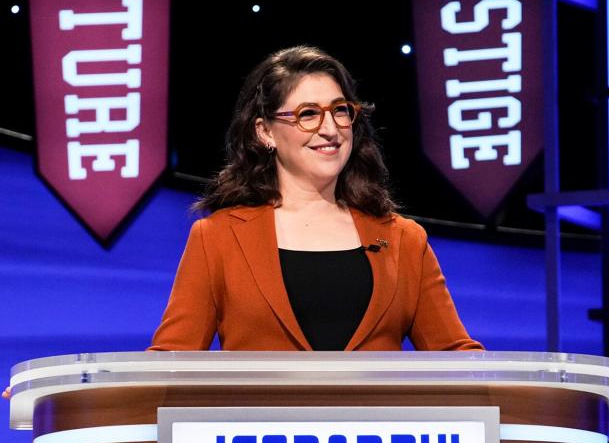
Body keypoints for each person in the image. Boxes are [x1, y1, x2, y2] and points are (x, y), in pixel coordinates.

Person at [149, 46, 482, 352]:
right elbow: (171, 360)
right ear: (265, 132)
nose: (330, 129)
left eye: (340, 110)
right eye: (308, 114)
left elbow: (456, 358)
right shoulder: (218, 238)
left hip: (374, 419)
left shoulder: (404, 240)